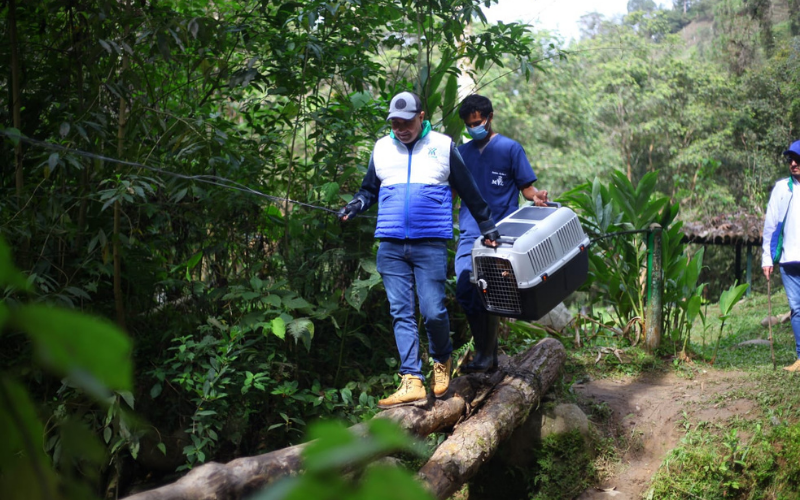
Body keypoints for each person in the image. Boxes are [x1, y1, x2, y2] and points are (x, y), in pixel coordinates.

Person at [338, 91, 500, 408]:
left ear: (421, 117)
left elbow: (469, 190)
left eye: (406, 121)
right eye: (395, 123)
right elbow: (369, 189)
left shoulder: (442, 146)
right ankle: (411, 378)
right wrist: (356, 204)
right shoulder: (382, 149)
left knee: (433, 311)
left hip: (430, 243)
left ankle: (441, 360)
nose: (400, 128)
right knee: (401, 312)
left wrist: (487, 225)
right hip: (391, 244)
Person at [455, 94, 549, 373]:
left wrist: (537, 197)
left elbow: (526, 188)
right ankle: (486, 352)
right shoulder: (461, 154)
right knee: (465, 288)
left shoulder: (510, 148)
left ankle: (486, 355)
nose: (475, 127)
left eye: (479, 122)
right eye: (469, 124)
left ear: (490, 117)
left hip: (501, 235)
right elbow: (451, 193)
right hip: (470, 232)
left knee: (491, 291)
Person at [762, 139, 800, 372]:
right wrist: (767, 258)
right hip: (788, 260)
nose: (793, 163)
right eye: (790, 160)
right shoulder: (782, 188)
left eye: (797, 159)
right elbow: (771, 225)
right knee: (797, 309)